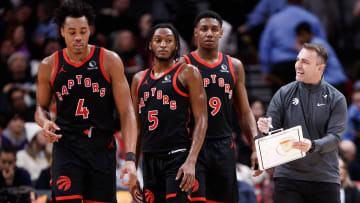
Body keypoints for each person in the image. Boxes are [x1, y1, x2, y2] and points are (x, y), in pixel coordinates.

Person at [34, 1, 138, 202]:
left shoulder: (109, 60)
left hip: (102, 147)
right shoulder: (49, 64)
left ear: (90, 31)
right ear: (62, 32)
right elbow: (40, 107)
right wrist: (44, 122)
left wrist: (131, 158)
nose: (78, 37)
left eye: (83, 31)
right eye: (72, 32)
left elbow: (127, 111)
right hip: (67, 146)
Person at [180, 10, 258, 203]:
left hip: (223, 145)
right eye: (204, 29)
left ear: (221, 33)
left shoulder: (235, 66)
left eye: (214, 29)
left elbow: (245, 112)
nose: (209, 33)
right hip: (192, 146)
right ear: (195, 33)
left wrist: (256, 145)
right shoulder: (183, 64)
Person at [257, 43, 347, 203]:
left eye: (305, 61)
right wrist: (265, 129)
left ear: (320, 68)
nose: (298, 64)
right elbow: (272, 129)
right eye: (298, 59)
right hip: (288, 177)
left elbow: (334, 138)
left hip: (325, 177)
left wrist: (312, 145)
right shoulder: (283, 93)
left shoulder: (336, 98)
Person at [130, 23, 208, 202]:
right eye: (158, 40)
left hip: (178, 156)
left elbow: (202, 119)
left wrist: (191, 160)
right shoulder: (138, 79)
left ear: (176, 46)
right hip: (149, 159)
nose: (163, 44)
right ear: (150, 45)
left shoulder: (188, 73)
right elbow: (137, 129)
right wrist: (133, 168)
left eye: (168, 40)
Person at [259, 0, 326, 94]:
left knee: (281, 102)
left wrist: (265, 70)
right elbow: (322, 46)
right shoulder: (312, 18)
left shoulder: (275, 19)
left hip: (280, 67)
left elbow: (265, 46)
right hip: (306, 66)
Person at [295, 22, 348, 95]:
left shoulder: (317, 43)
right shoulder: (315, 43)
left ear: (305, 33)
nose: (298, 39)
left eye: (299, 36)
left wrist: (299, 49)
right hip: (331, 83)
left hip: (334, 83)